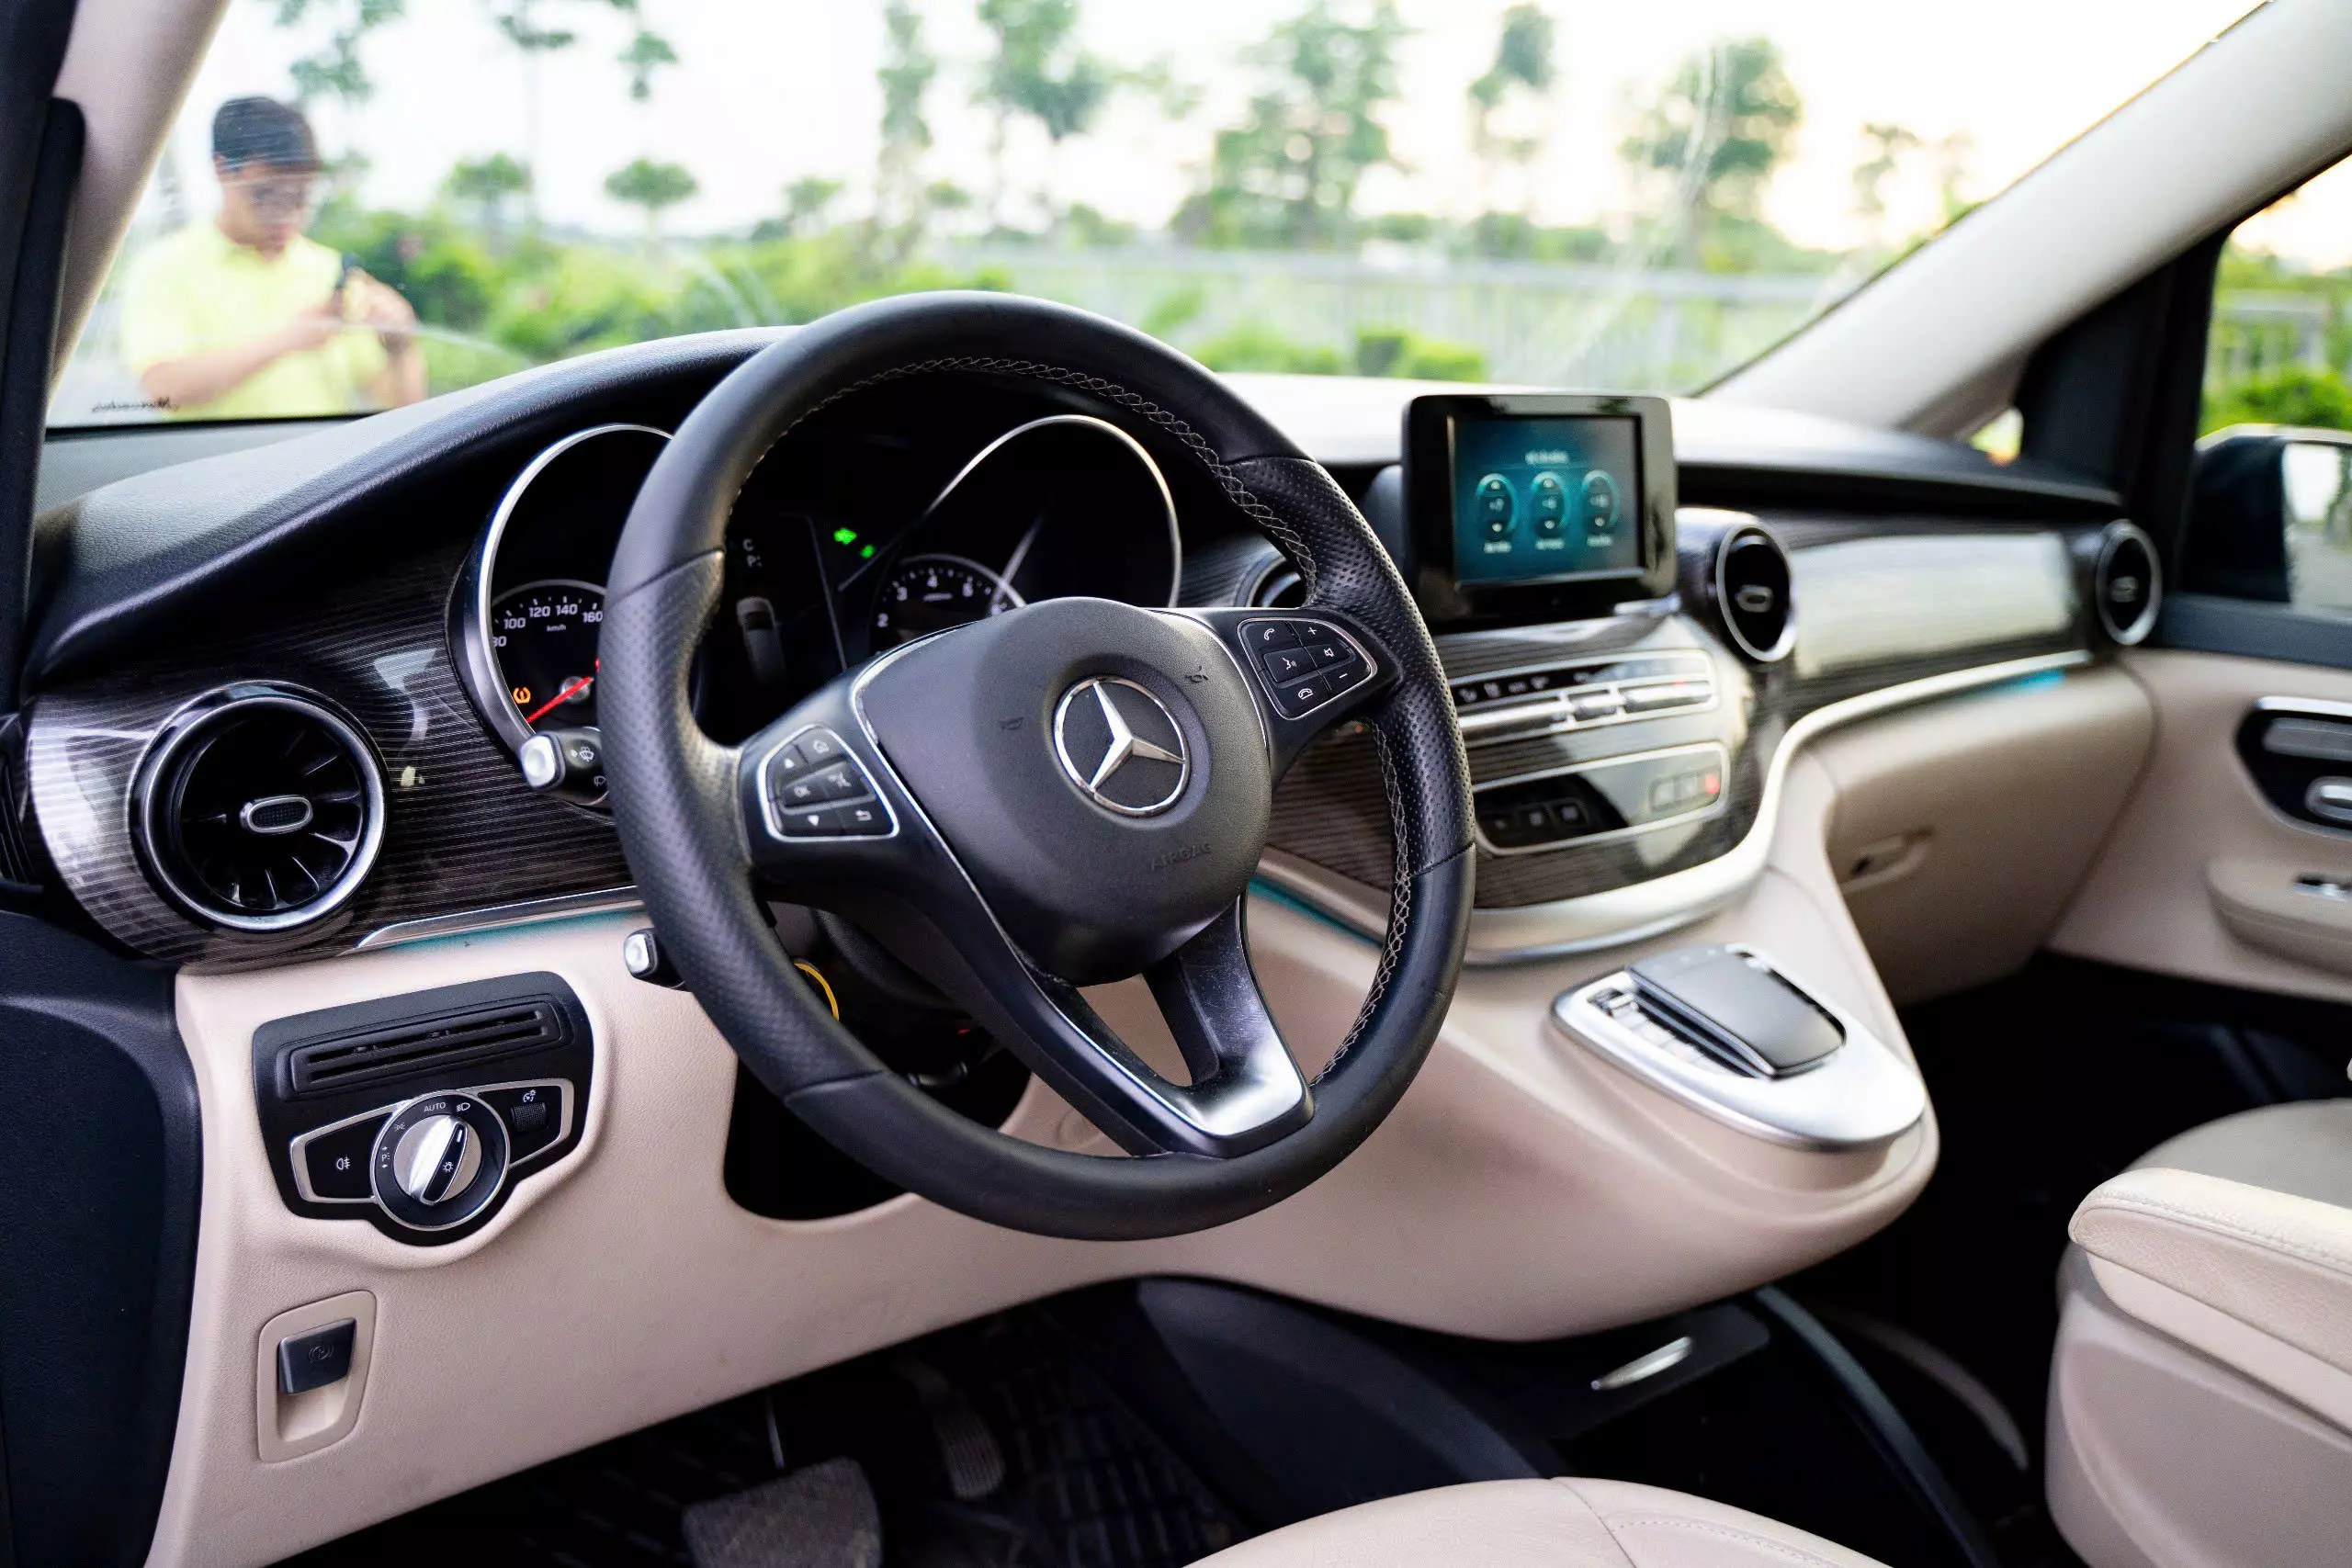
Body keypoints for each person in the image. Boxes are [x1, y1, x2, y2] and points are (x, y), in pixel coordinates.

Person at [119, 96, 425, 420]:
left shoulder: (331, 272)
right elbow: (163, 391)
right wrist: (288, 340)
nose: (284, 214)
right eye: (265, 194)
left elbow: (402, 416)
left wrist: (401, 349)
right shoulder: (164, 267)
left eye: (299, 197)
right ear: (222, 169)